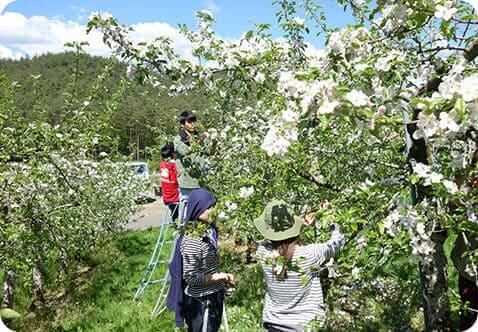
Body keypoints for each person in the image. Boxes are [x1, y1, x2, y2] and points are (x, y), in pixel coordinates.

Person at [254, 200, 344, 332]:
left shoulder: (262, 253)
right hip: (306, 326)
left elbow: (279, 242)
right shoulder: (309, 254)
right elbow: (337, 243)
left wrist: (300, 226)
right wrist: (331, 218)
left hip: (274, 324)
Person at [166, 189, 235, 332]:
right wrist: (220, 276)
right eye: (208, 207)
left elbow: (208, 267)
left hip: (212, 295)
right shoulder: (192, 240)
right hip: (202, 301)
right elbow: (191, 278)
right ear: (198, 208)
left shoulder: (208, 231)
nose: (213, 211)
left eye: (213, 206)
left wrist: (222, 284)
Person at [173, 111, 209, 220]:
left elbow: (209, 152)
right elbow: (184, 151)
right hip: (187, 183)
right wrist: (199, 142)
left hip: (201, 181)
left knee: (202, 212)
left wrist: (214, 141)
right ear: (182, 124)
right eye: (189, 122)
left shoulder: (199, 137)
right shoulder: (179, 139)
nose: (193, 124)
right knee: (185, 214)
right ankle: (182, 234)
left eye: (194, 121)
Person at [159, 143, 180, 221]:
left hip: (166, 197)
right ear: (173, 154)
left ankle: (175, 222)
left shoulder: (162, 164)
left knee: (174, 214)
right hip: (175, 198)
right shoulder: (174, 166)